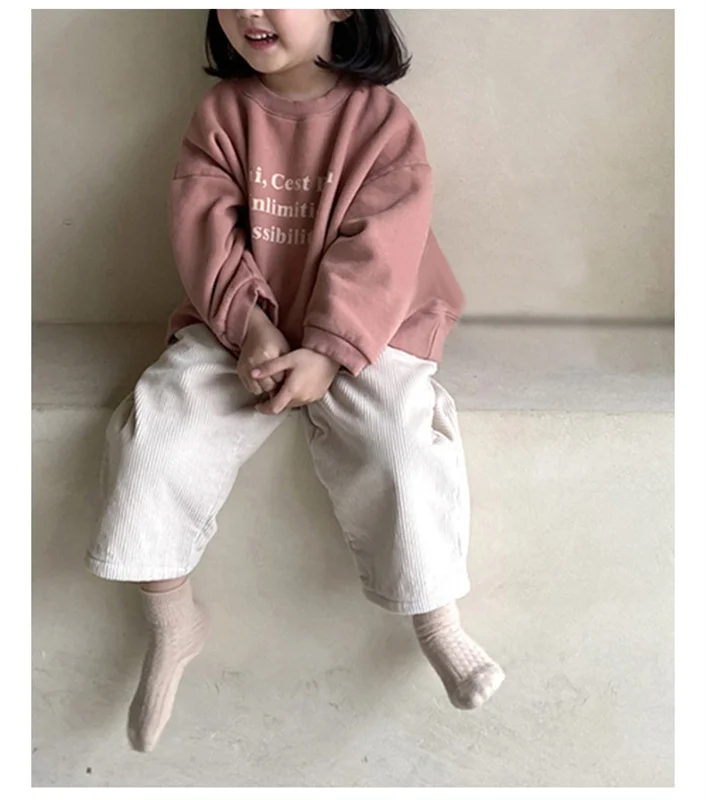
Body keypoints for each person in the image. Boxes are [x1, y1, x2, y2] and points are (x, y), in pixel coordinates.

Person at [85, 8, 505, 753]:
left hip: (369, 326)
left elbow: (386, 247)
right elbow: (204, 232)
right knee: (157, 430)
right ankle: (172, 618)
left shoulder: (381, 121)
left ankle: (436, 619)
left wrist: (329, 352)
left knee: (400, 442)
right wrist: (251, 328)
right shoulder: (220, 114)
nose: (249, 8)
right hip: (241, 322)